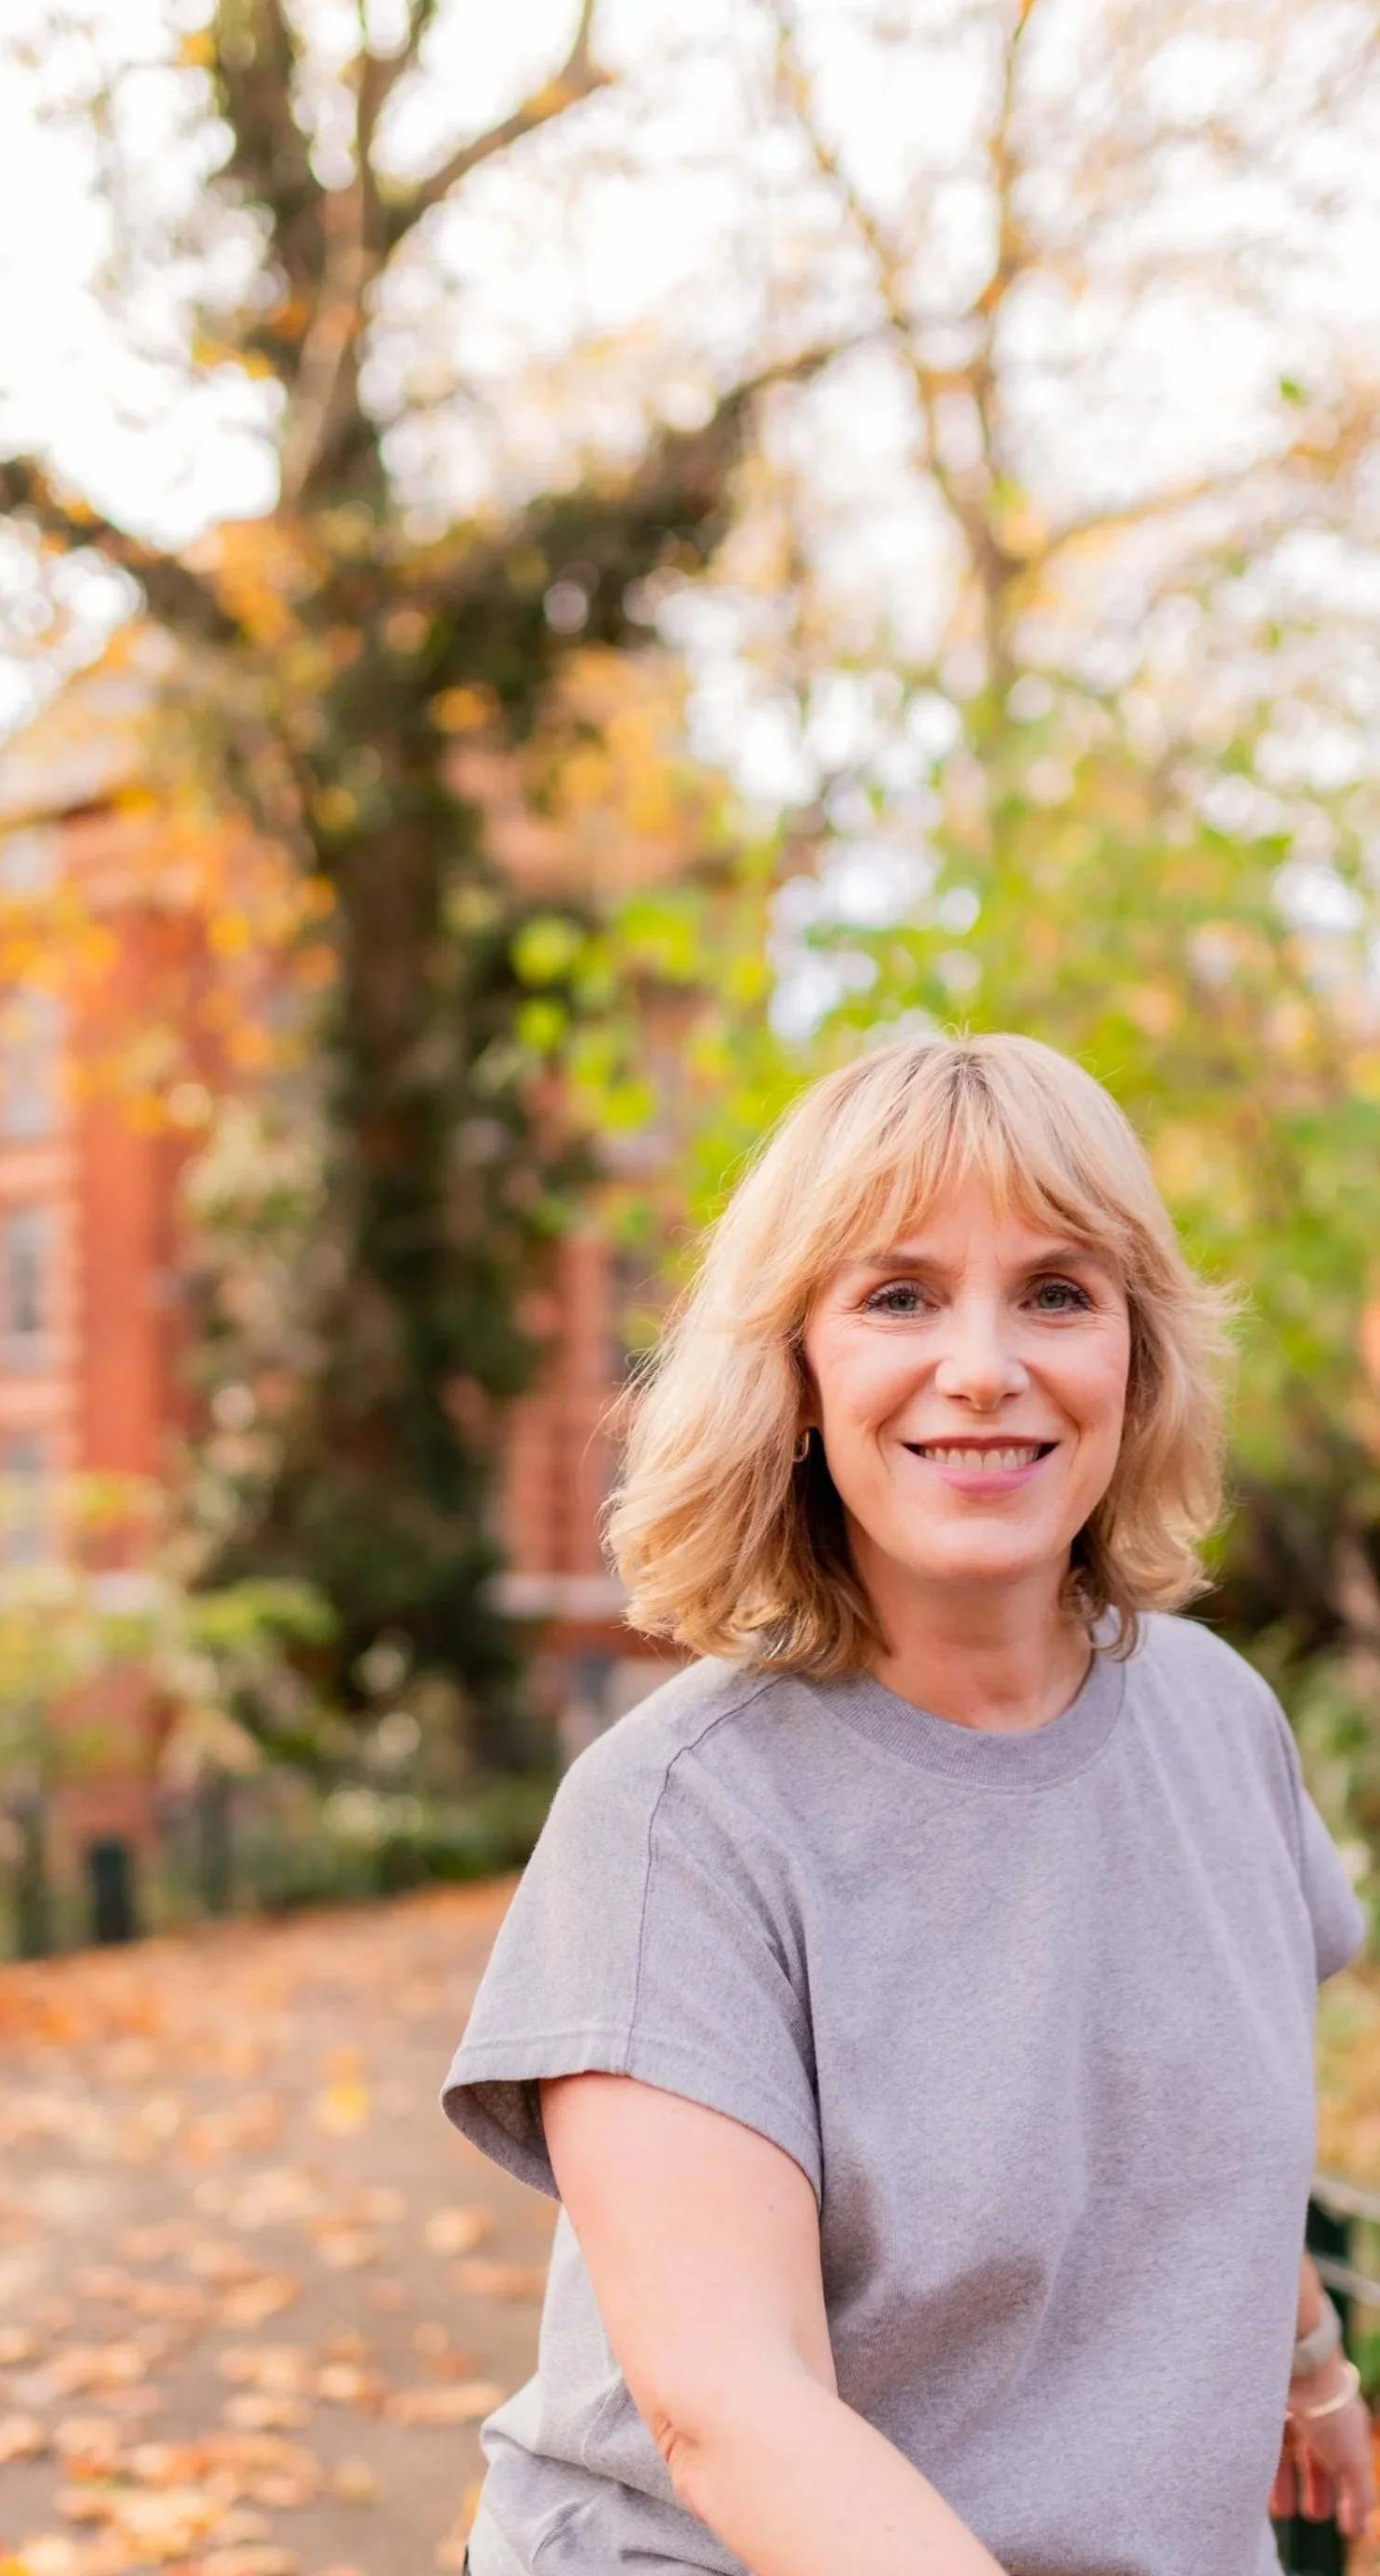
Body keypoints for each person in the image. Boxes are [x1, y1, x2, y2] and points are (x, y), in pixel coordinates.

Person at [442, 1032, 1373, 2576]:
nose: (987, 1364)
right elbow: (731, 2408)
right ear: (798, 1370)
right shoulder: (681, 1819)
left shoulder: (1221, 1722)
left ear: (1136, 1358)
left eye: (1059, 1293)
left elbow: (1191, 2128)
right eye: (899, 1296)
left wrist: (1311, 2365)